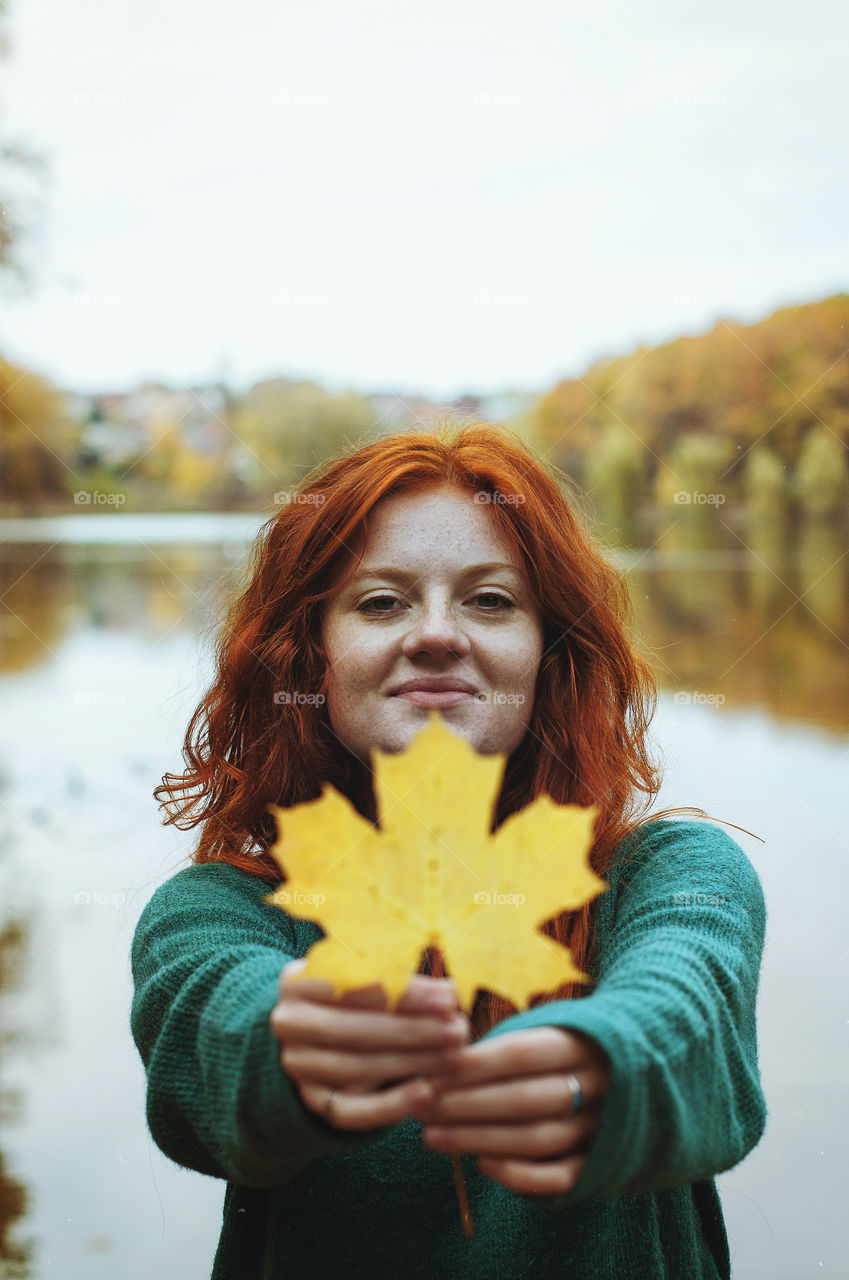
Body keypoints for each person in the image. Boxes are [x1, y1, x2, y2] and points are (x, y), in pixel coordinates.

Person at [130, 420, 768, 1279]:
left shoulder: (668, 875)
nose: (436, 634)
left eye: (490, 600)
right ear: (310, 656)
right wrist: (288, 1041)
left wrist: (599, 1063)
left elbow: (690, 1014)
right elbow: (203, 1038)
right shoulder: (222, 907)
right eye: (380, 602)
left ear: (550, 651)